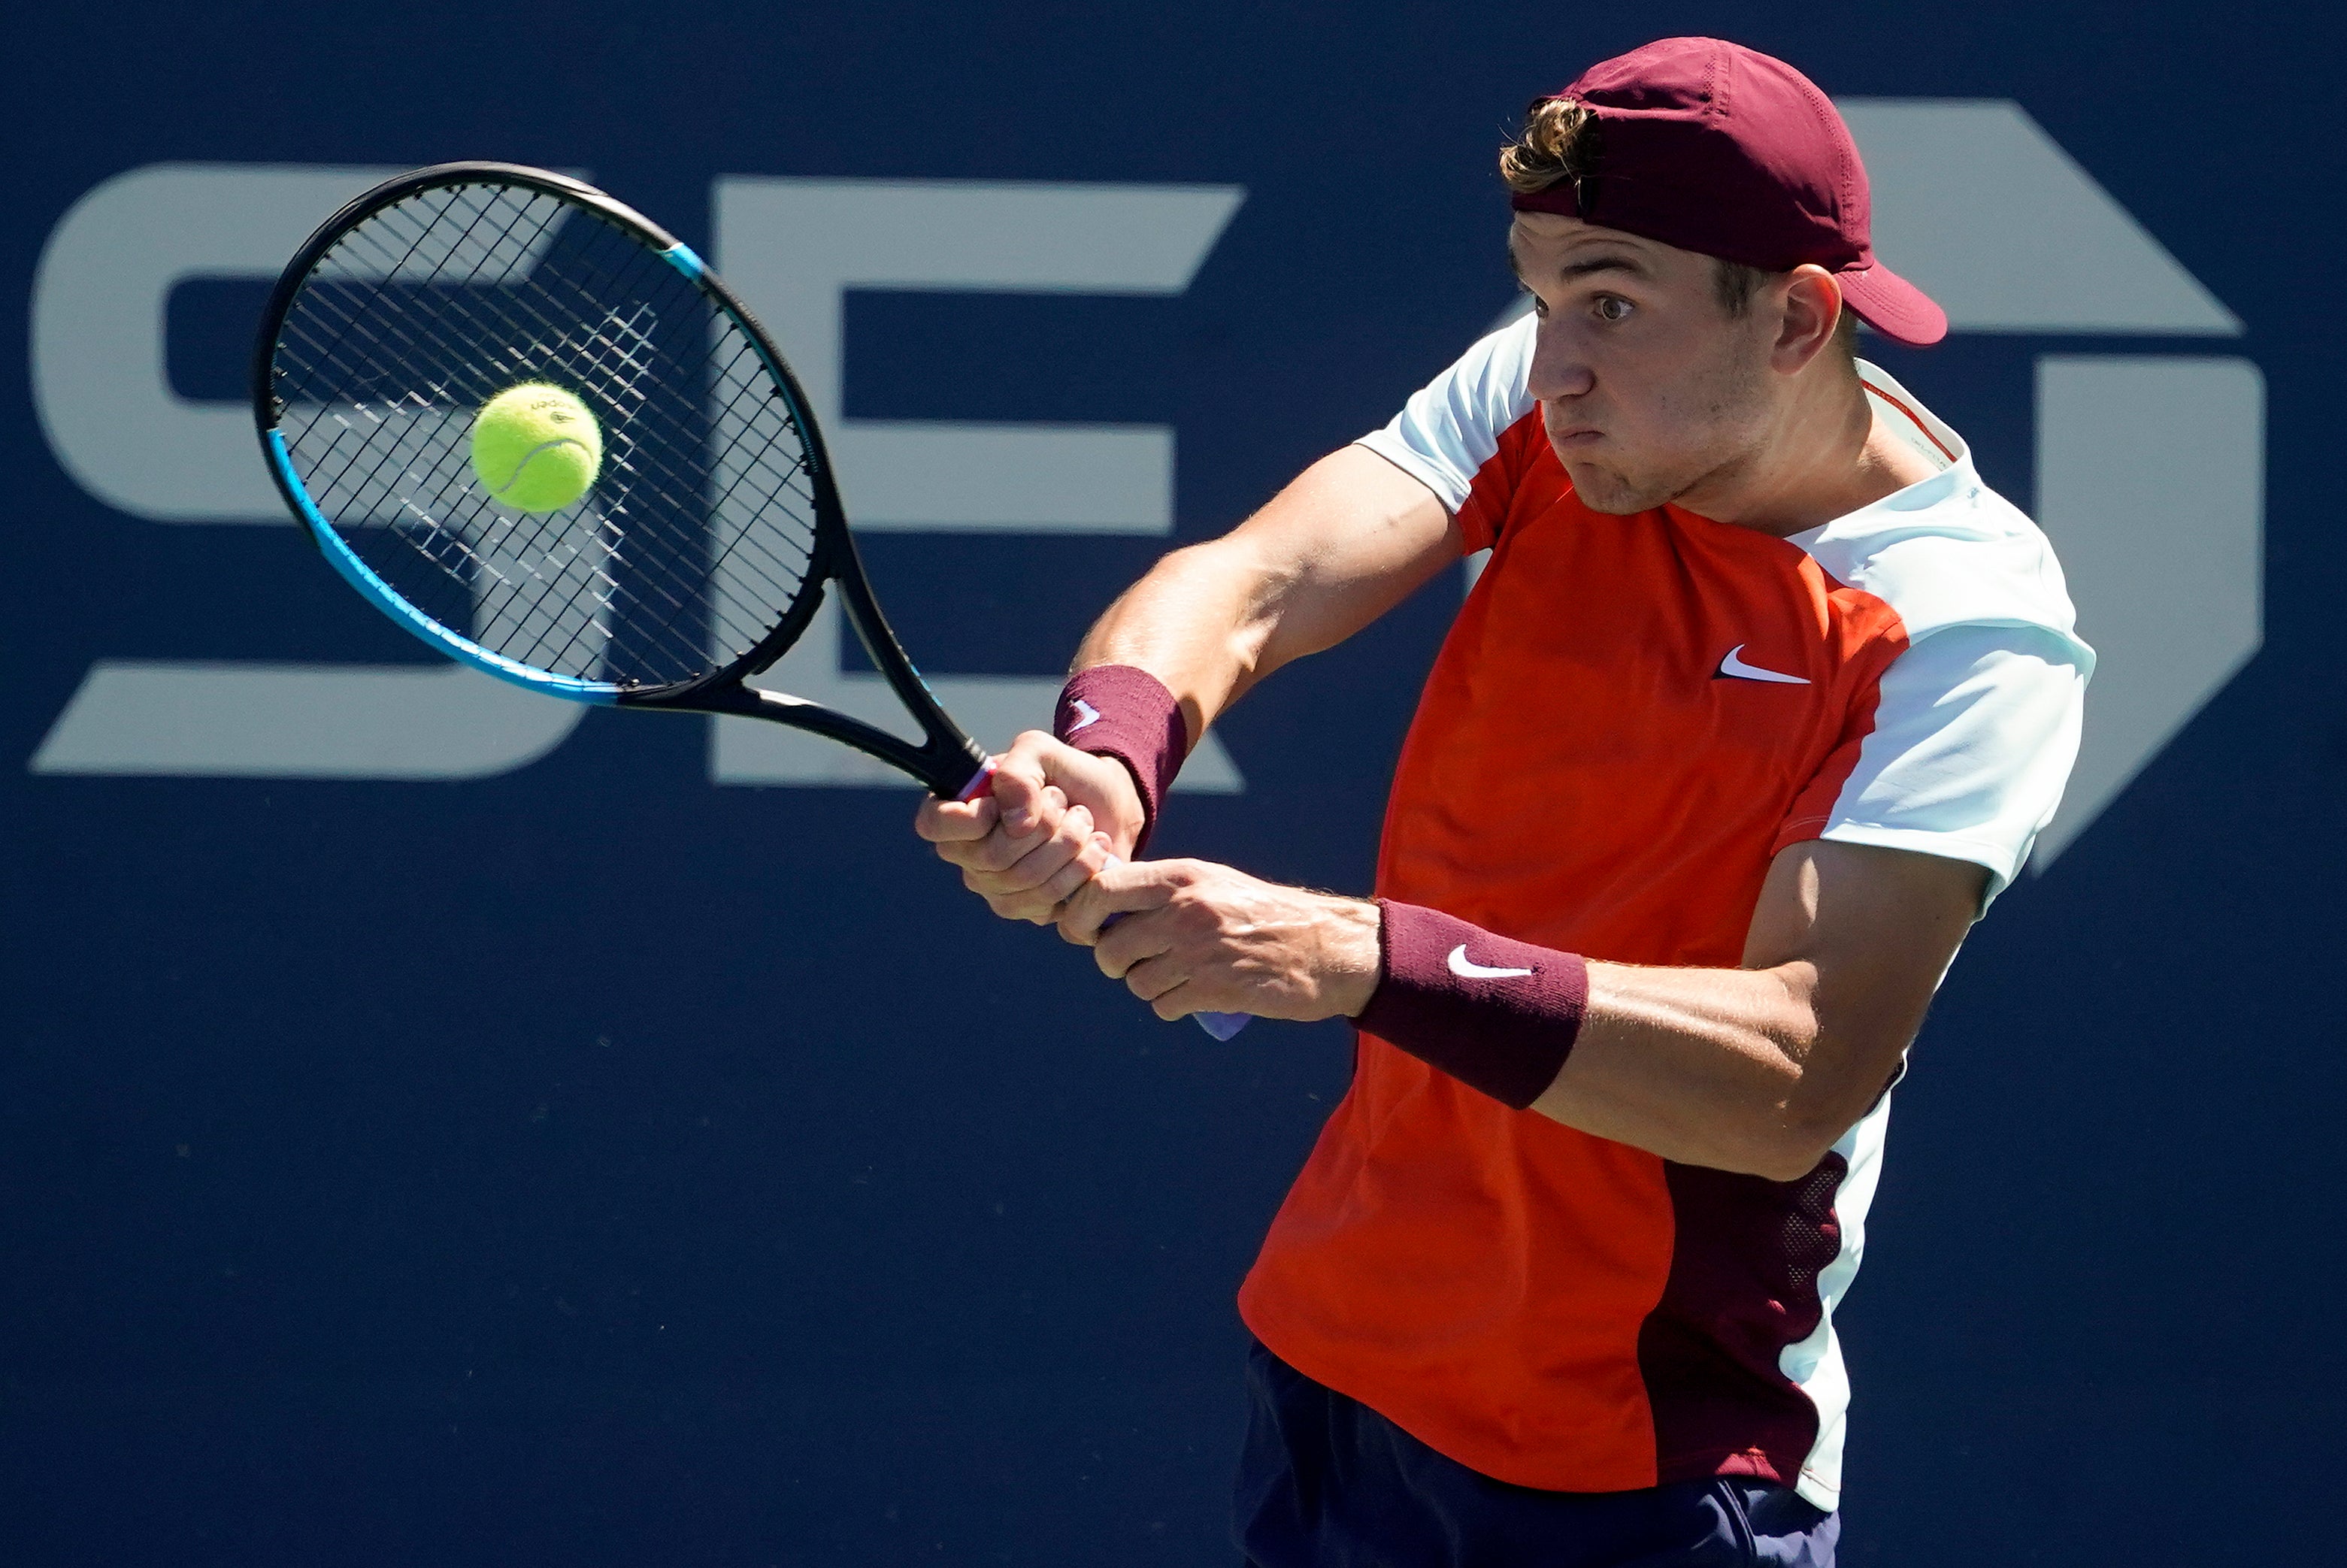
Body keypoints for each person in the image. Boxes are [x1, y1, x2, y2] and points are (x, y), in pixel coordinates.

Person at [916, 36, 2089, 1568]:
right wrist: (1107, 749)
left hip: (1646, 1463)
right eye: (1541, 298)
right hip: (1343, 1370)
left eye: (1607, 301)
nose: (1553, 365)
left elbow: (1796, 1070)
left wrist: (1355, 956)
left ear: (1799, 318)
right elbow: (1254, 581)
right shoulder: (1558, 405)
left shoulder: (1961, 631)